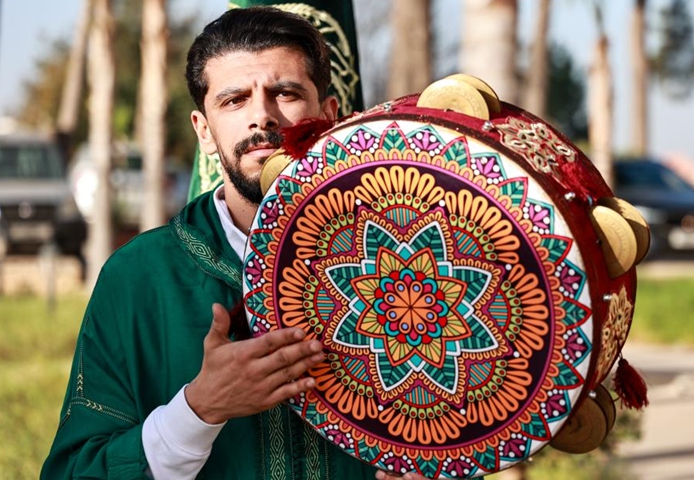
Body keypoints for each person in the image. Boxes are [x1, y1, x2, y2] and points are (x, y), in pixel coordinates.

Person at [41, 7, 430, 480]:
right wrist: (199, 409)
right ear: (204, 132)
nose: (261, 117)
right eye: (234, 100)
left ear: (329, 117)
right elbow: (72, 471)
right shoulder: (138, 278)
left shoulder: (415, 256)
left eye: (285, 93)